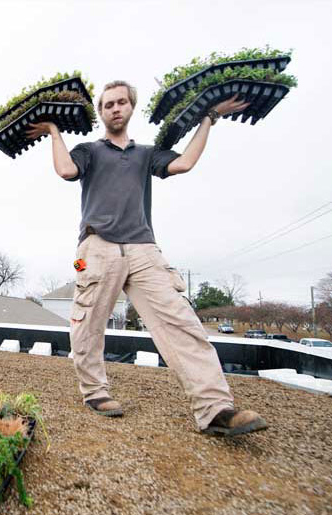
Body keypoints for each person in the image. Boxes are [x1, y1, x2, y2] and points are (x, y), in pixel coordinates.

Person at [27, 80, 267, 436]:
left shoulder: (146, 154)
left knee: (179, 319)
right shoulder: (88, 150)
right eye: (108, 104)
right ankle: (95, 392)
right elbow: (65, 171)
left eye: (121, 102)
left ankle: (216, 408)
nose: (115, 108)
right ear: (101, 111)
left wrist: (209, 119)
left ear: (131, 107)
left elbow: (184, 163)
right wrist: (52, 131)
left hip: (144, 249)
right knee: (87, 323)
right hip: (94, 250)